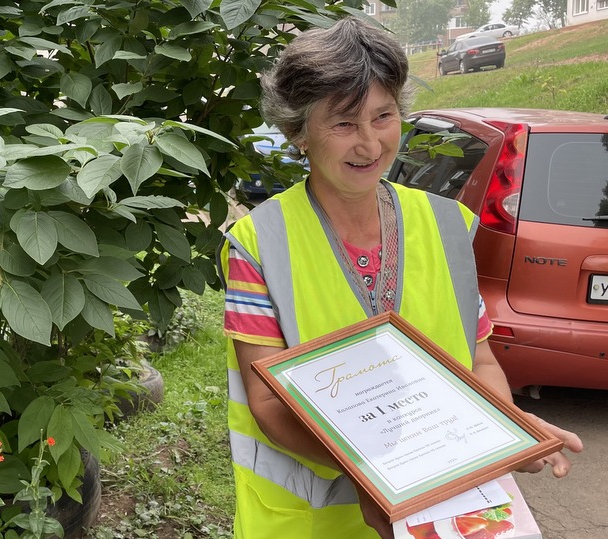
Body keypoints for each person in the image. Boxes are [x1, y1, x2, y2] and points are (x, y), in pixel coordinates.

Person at [218, 17, 583, 539]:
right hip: (311, 522)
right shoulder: (259, 244)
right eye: (343, 124)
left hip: (447, 512)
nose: (369, 144)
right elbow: (270, 404)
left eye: (383, 116)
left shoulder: (446, 224)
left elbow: (477, 360)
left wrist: (510, 433)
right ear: (298, 132)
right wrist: (377, 482)